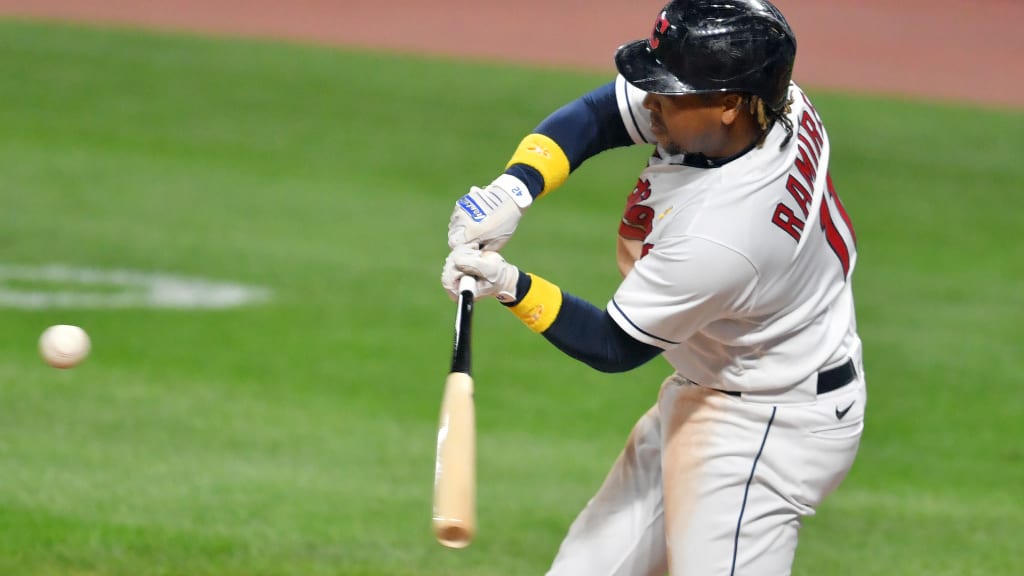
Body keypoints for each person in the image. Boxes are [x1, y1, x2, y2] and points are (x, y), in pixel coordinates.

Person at [441, 0, 866, 573]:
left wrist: (508, 284)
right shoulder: (767, 101)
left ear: (729, 105)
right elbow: (598, 115)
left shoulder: (726, 233)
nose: (652, 101)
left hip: (766, 427)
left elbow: (616, 346)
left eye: (672, 90)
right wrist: (514, 189)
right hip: (726, 383)